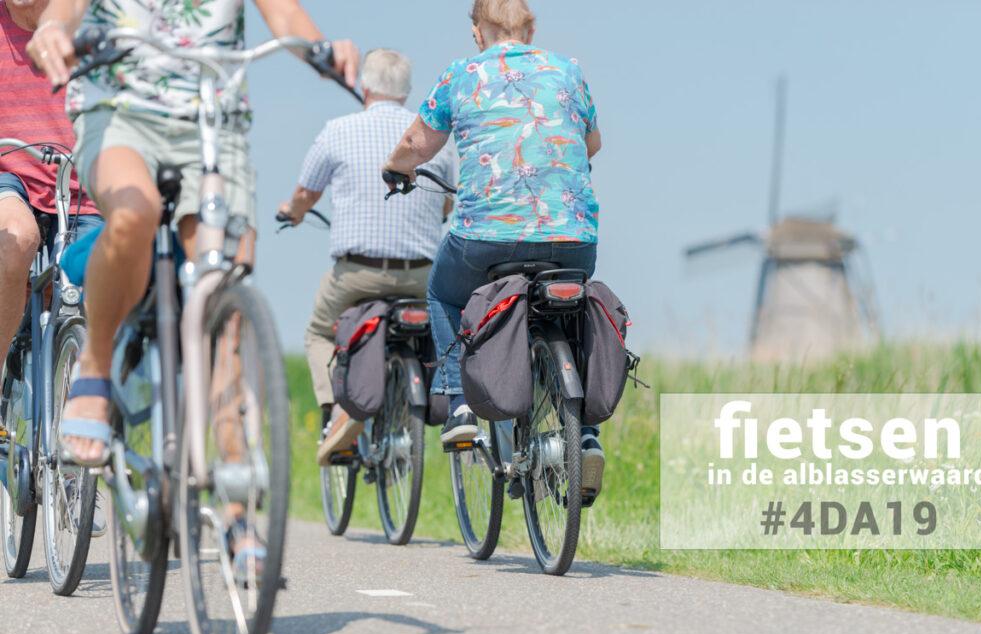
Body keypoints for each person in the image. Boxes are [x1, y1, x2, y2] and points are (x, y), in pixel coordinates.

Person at [27, 0, 358, 467]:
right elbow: (66, 9)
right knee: (134, 213)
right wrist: (52, 30)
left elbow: (283, 15)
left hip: (213, 122)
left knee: (224, 299)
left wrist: (322, 48)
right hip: (119, 111)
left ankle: (237, 498)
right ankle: (95, 369)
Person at [383, 0, 607, 497]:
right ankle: (585, 433)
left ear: (477, 33)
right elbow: (591, 144)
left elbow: (417, 144)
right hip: (572, 238)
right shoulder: (569, 70)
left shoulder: (461, 74)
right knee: (571, 313)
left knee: (442, 293)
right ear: (530, 29)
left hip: (486, 238)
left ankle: (459, 402)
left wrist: (397, 168)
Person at [279, 49, 456, 465]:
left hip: (357, 274)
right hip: (420, 277)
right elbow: (446, 204)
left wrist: (292, 212)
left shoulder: (337, 131)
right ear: (407, 92)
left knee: (318, 332)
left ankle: (334, 413)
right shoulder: (433, 138)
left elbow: (305, 194)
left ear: (365, 87)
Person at [1, 0, 105, 534]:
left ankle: (75, 447)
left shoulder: (87, 17)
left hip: (80, 184)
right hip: (8, 173)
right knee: (13, 238)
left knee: (102, 287)